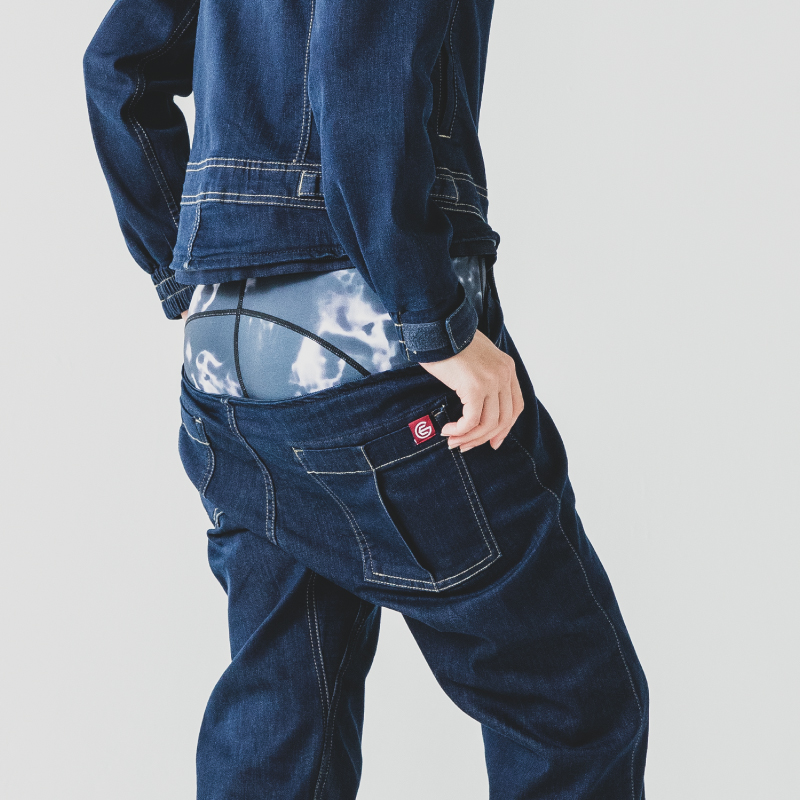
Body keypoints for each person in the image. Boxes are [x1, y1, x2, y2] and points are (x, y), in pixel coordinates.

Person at [83, 1, 649, 797]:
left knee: (284, 716)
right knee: (571, 706)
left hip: (225, 368)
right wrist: (436, 323)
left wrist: (184, 267)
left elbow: (118, 69)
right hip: (373, 351)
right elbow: (356, 84)